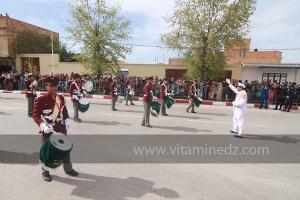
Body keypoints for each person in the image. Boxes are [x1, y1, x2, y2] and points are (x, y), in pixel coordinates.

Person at [32, 76, 78, 182]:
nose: (54, 88)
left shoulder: (60, 97)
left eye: (56, 85)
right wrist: (42, 124)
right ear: (46, 86)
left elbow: (64, 109)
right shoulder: (40, 99)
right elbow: (36, 115)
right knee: (46, 152)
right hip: (48, 129)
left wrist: (66, 119)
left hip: (60, 129)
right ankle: (45, 171)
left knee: (65, 150)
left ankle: (68, 169)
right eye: (51, 86)